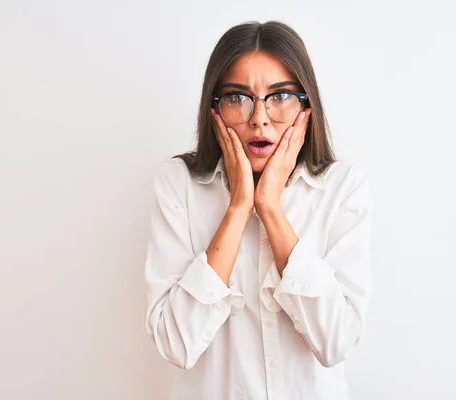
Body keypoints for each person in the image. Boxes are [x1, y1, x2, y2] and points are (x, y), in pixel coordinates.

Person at [144, 20, 372, 400]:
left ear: (306, 105)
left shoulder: (341, 186)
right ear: (214, 108)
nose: (259, 118)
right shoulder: (179, 183)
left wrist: (269, 208)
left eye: (280, 95)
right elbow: (176, 344)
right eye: (238, 97)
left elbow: (337, 342)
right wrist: (238, 209)